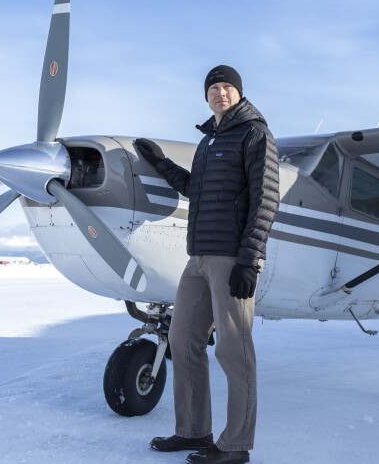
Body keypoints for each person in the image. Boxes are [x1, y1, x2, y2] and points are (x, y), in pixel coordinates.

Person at [135, 65, 279, 464]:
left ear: (239, 93)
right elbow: (195, 190)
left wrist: (249, 258)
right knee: (182, 341)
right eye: (214, 87)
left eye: (227, 86)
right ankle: (194, 430)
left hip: (231, 256)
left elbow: (265, 198)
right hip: (197, 256)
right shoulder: (210, 140)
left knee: (234, 352)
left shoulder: (254, 133)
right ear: (206, 96)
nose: (220, 92)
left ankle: (236, 446)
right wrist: (162, 164)